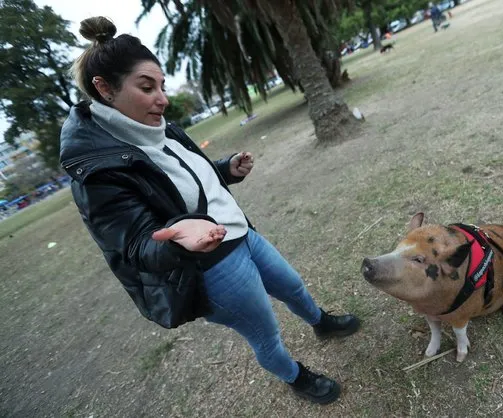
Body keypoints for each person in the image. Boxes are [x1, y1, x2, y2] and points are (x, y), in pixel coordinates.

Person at [60, 16, 360, 405]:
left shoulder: (156, 127)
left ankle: (321, 322)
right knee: (265, 334)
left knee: (292, 286)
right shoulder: (97, 168)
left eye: (162, 86)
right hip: (212, 269)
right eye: (147, 87)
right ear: (104, 88)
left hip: (242, 234)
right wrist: (180, 237)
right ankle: (298, 378)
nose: (162, 99)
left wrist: (224, 170)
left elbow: (184, 180)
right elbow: (135, 246)